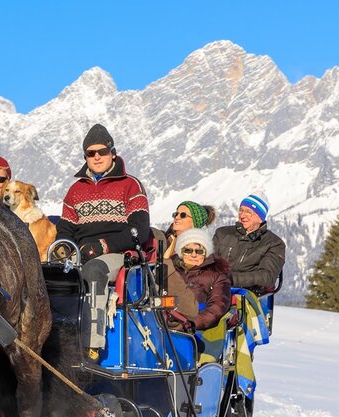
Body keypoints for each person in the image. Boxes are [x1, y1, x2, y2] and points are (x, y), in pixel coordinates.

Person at [55, 123, 150, 359]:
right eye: (90, 153)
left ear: (113, 153)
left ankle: (92, 346)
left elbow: (140, 230)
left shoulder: (130, 185)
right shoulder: (75, 190)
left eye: (102, 152)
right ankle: (55, 343)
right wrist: (64, 248)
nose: (96, 157)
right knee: (54, 275)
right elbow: (65, 229)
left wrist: (102, 246)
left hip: (119, 252)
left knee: (93, 269)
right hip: (81, 252)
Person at [213, 194, 285, 295]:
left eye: (248, 212)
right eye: (241, 210)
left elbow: (266, 277)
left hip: (247, 293)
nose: (242, 215)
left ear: (260, 218)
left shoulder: (273, 243)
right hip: (215, 288)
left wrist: (230, 278)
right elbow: (208, 261)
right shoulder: (222, 233)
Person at [169, 228, 232, 332]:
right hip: (166, 324)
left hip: (196, 329)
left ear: (205, 253)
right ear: (181, 253)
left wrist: (192, 324)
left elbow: (217, 308)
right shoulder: (170, 270)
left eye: (199, 251)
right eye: (188, 250)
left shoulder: (217, 274)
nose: (193, 255)